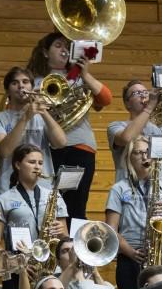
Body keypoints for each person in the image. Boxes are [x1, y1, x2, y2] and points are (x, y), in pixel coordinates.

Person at [26, 32, 112, 220]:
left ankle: (72, 249)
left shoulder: (79, 79)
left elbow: (106, 98)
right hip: (47, 150)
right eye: (58, 45)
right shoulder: (34, 81)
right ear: (45, 52)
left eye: (67, 47)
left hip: (80, 148)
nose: (64, 50)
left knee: (76, 207)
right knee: (47, 205)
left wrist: (85, 74)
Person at [0, 144, 69, 289]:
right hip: (20, 271)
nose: (37, 167)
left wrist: (61, 231)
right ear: (18, 164)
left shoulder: (54, 196)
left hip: (49, 269)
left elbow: (66, 237)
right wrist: (16, 263)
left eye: (40, 163)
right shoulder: (4, 199)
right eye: (31, 162)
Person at [105, 136, 162, 289]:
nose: (144, 157)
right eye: (137, 153)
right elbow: (111, 230)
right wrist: (130, 252)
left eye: (147, 152)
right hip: (130, 255)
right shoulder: (119, 188)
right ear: (130, 158)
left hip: (161, 253)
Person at [0, 66, 67, 194]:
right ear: (7, 91)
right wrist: (25, 118)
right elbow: (4, 151)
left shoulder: (42, 116)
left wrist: (44, 112)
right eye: (15, 83)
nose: (21, 86)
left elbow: (61, 142)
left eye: (25, 82)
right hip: (10, 190)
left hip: (44, 189)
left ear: (32, 88)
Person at [107, 78, 162, 184]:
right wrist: (150, 107)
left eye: (146, 92)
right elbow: (126, 138)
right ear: (127, 104)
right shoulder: (117, 126)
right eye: (137, 93)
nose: (143, 95)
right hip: (130, 193)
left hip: (161, 194)